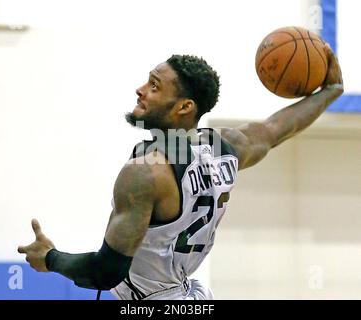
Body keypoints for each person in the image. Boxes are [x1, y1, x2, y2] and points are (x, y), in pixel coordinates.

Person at [17, 44, 343, 300]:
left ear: (184, 107)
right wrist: (331, 91)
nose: (140, 89)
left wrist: (50, 258)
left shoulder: (145, 173)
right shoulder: (225, 146)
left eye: (155, 86)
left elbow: (106, 272)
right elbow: (277, 128)